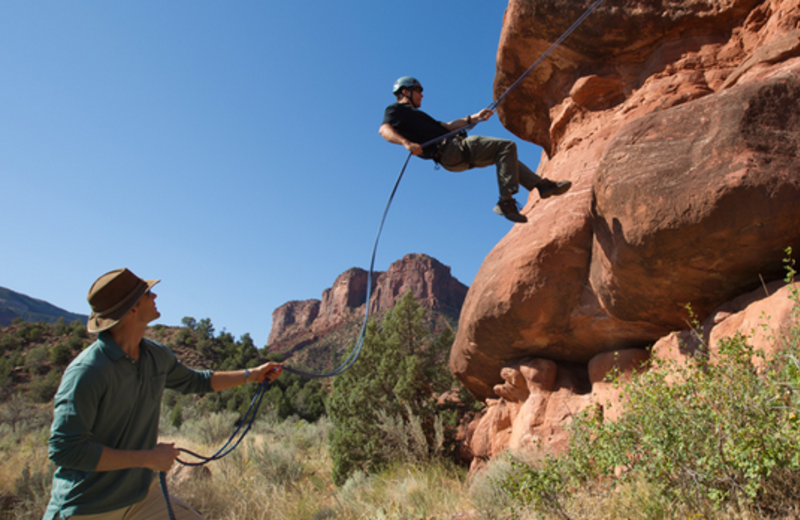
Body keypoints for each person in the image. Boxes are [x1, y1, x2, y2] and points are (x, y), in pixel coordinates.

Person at [44, 268, 283, 520]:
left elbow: (196, 381)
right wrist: (147, 458)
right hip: (88, 506)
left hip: (142, 499)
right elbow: (65, 450)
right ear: (133, 308)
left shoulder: (155, 355)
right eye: (147, 293)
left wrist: (253, 374)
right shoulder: (88, 371)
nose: (155, 295)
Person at [379, 76, 571, 223]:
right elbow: (384, 130)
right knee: (505, 146)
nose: (422, 94)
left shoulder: (419, 117)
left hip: (454, 154)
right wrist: (406, 143)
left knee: (504, 155)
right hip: (452, 151)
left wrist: (474, 117)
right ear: (405, 92)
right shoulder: (395, 110)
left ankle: (541, 185)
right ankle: (506, 202)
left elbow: (447, 126)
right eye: (418, 90)